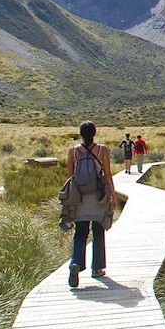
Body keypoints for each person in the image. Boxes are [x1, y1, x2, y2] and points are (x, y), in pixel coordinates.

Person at [67, 121, 116, 288]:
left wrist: (69, 201)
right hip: (98, 197)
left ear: (80, 133)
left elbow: (69, 177)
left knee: (80, 232)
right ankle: (97, 268)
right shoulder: (102, 150)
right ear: (94, 133)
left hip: (80, 198)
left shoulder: (73, 151)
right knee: (98, 230)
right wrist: (113, 196)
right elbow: (108, 175)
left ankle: (76, 263)